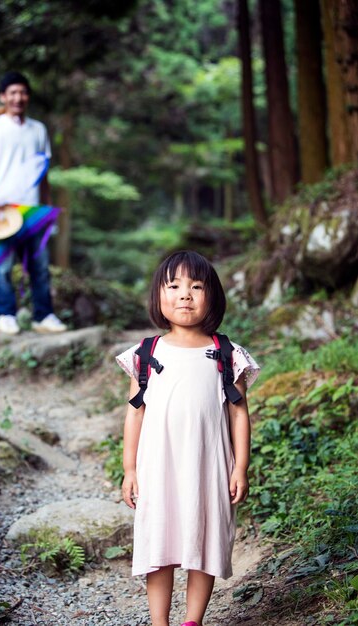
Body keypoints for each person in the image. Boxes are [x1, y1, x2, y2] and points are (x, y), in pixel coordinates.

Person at [116, 250, 260, 626]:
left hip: (208, 463)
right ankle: (159, 621)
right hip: (158, 466)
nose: (185, 294)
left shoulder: (227, 355)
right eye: (174, 285)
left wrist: (240, 467)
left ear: (212, 296)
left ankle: (193, 620)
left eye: (196, 286)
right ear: (158, 297)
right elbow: (135, 412)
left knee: (205, 540)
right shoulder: (146, 354)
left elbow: (239, 413)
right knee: (158, 542)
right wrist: (129, 468)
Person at [0, 71, 67, 335]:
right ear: (3, 97)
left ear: (28, 96)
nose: (18, 97)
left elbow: (43, 171)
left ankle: (43, 316)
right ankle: (6, 315)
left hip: (33, 208)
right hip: (0, 208)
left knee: (39, 265)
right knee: (1, 265)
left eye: (23, 92)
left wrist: (48, 207)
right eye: (12, 92)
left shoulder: (38, 129)